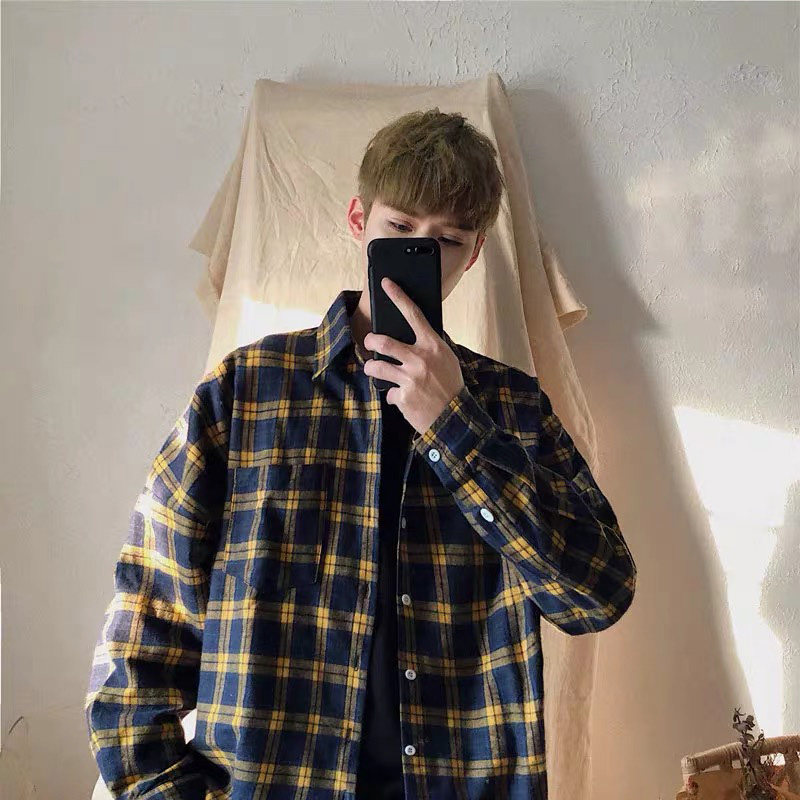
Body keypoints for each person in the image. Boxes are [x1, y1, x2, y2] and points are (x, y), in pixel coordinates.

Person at [85, 109, 636, 800]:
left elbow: (597, 595)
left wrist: (456, 426)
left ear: (473, 254)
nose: (419, 252)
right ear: (358, 221)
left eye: (447, 240)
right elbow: (145, 621)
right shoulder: (248, 391)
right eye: (399, 228)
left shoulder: (512, 409)